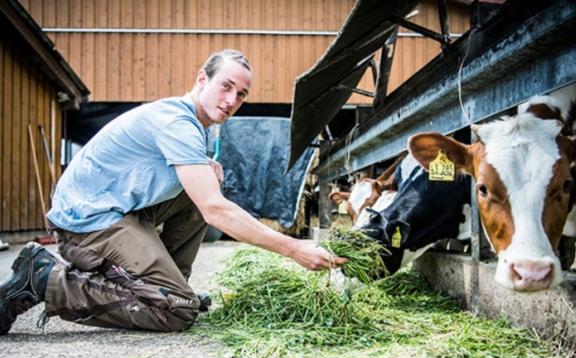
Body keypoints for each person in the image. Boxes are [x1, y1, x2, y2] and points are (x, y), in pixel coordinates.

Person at [0, 49, 347, 334]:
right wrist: (294, 248)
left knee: (203, 189)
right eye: (225, 86)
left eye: (241, 94)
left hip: (119, 213)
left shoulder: (203, 127)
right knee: (178, 314)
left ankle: (169, 286)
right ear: (201, 79)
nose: (232, 100)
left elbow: (199, 198)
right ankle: (46, 279)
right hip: (86, 226)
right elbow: (216, 211)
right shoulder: (176, 122)